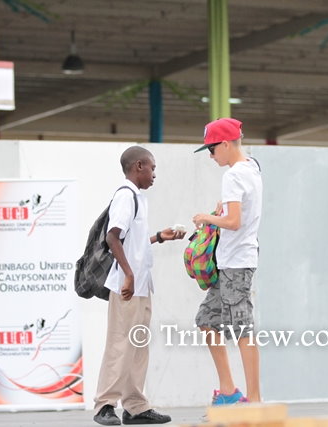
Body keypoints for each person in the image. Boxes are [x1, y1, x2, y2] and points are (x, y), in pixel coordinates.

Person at [93, 146, 185, 426]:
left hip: (141, 286)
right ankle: (104, 405)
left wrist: (159, 237)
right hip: (128, 286)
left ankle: (134, 406)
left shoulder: (137, 198)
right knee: (120, 345)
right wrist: (129, 275)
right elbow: (112, 237)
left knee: (137, 347)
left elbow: (132, 243)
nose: (154, 174)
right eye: (152, 168)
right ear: (139, 166)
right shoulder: (126, 196)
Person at [192, 118, 263, 405]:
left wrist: (206, 218)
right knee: (206, 320)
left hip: (236, 263)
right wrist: (219, 213)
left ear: (224, 144)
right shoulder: (252, 167)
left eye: (211, 149)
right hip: (232, 262)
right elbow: (237, 215)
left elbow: (234, 222)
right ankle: (228, 391)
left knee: (243, 330)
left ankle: (254, 401)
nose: (210, 156)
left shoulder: (233, 175)